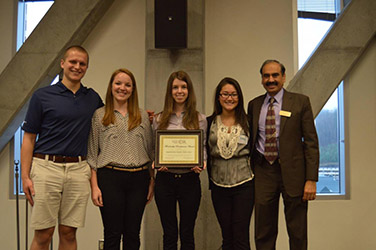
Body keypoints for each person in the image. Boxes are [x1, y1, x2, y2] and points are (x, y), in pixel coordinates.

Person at [21, 45, 103, 250]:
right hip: (45, 168)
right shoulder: (42, 96)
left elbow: (111, 120)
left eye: (82, 63)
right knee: (43, 233)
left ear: (87, 67)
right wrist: (25, 177)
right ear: (62, 63)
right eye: (73, 62)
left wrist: (141, 115)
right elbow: (29, 139)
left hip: (78, 170)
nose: (77, 66)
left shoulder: (93, 99)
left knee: (68, 232)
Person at [247, 59, 319, 250]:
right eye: (266, 76)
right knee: (263, 231)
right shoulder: (254, 105)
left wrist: (311, 179)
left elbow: (311, 142)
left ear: (283, 77)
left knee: (297, 232)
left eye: (275, 75)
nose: (271, 79)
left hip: (295, 174)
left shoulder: (301, 102)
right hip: (264, 172)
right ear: (262, 79)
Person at [87, 68, 154, 250]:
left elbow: (151, 152)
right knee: (112, 233)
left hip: (139, 179)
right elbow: (92, 154)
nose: (122, 88)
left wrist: (151, 182)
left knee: (133, 234)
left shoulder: (143, 117)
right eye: (118, 83)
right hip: (110, 178)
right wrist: (94, 186)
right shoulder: (99, 115)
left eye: (127, 85)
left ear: (133, 89)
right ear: (111, 86)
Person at [152, 70, 207, 250]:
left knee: (187, 233)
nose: (179, 91)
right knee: (169, 234)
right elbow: (154, 148)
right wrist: (157, 162)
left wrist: (202, 162)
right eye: (175, 87)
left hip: (190, 180)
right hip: (164, 181)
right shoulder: (159, 119)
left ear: (189, 90)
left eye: (183, 87)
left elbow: (203, 147)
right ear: (170, 91)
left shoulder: (200, 119)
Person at [206, 77, 254, 250]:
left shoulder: (249, 121)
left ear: (239, 97)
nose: (229, 98)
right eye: (225, 94)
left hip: (244, 185)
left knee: (241, 235)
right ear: (219, 97)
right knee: (227, 236)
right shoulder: (209, 122)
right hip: (218, 187)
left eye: (233, 94)